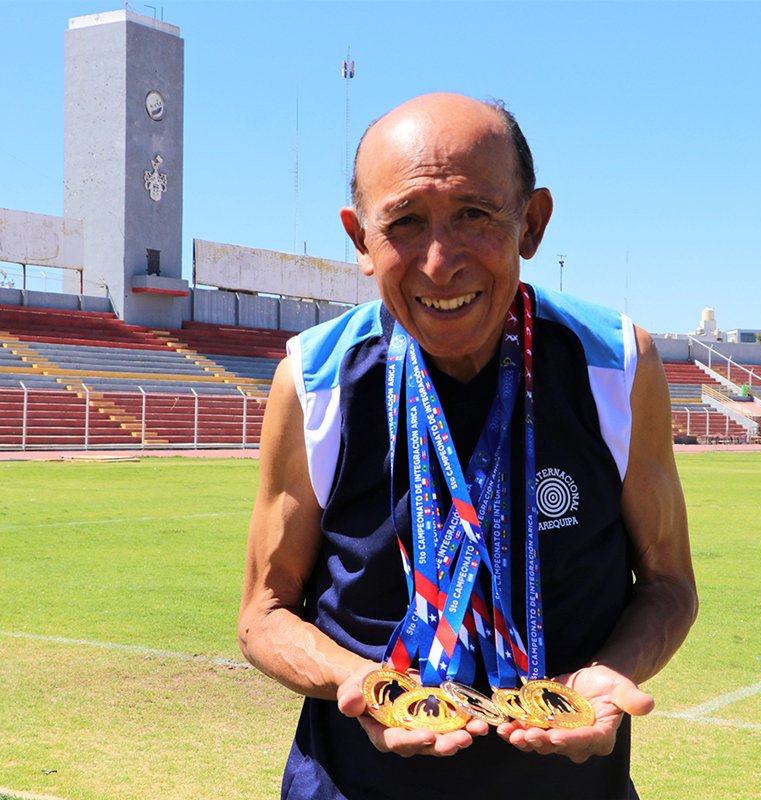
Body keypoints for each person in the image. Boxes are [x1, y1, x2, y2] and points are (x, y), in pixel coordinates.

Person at [237, 93, 698, 800]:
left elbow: (669, 587)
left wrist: (609, 673)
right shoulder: (315, 380)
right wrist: (355, 681)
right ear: (360, 239)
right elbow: (263, 613)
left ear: (532, 223)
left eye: (475, 216)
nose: (440, 261)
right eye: (404, 223)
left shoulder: (617, 367)